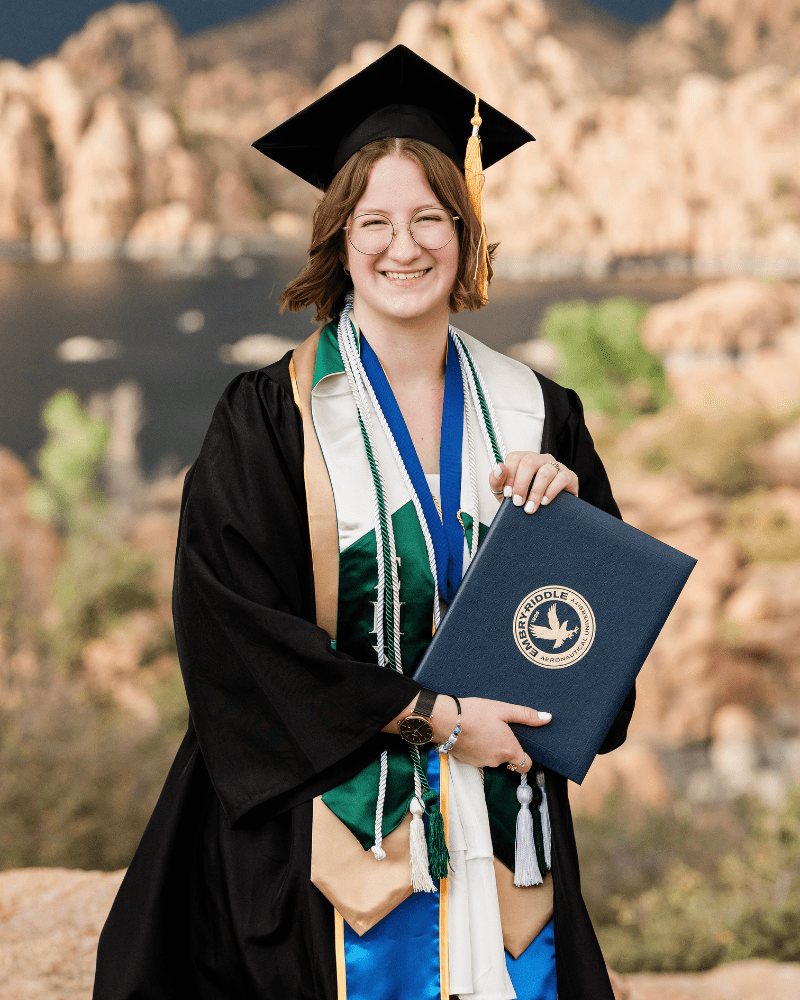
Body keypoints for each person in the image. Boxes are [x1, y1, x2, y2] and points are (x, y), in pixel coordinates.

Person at [93, 45, 634, 1000]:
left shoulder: (538, 411)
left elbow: (592, 655)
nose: (404, 246)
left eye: (431, 218)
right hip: (326, 851)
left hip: (508, 841)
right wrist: (436, 719)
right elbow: (231, 637)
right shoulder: (269, 417)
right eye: (374, 221)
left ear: (466, 236)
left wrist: (568, 518)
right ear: (339, 242)